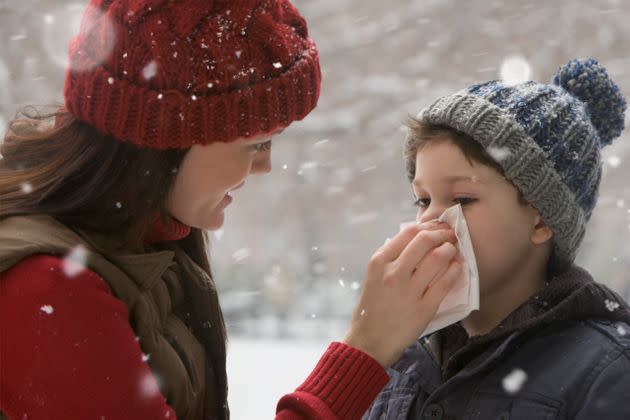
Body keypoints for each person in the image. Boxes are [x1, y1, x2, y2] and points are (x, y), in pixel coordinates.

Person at [0, 1, 462, 419]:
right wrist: (364, 351)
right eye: (256, 142)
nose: (265, 166)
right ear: (167, 137)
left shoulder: (142, 241)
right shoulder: (48, 289)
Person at [363, 58, 630, 419]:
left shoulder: (606, 372)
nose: (430, 220)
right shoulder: (399, 360)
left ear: (541, 219)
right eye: (423, 200)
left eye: (462, 200)